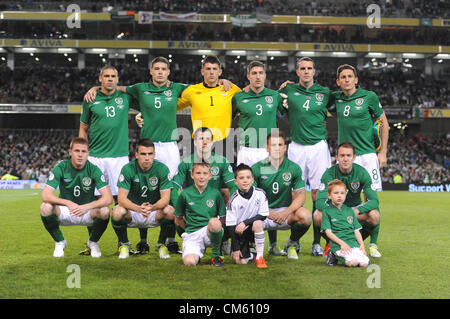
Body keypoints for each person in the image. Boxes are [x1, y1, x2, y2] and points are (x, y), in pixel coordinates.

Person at [83, 58, 185, 255]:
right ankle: (143, 241)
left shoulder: (177, 88)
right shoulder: (139, 88)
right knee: (140, 191)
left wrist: (226, 82)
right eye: (157, 69)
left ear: (169, 72)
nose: (160, 72)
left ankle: (169, 240)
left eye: (164, 69)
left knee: (170, 195)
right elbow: (113, 87)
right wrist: (96, 87)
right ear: (151, 71)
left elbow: (203, 87)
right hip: (148, 144)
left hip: (170, 147)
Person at [278, 57, 335, 257]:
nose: (306, 71)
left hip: (319, 147)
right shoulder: (289, 91)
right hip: (296, 147)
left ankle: (317, 243)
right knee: (295, 195)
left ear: (314, 71)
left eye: (309, 68)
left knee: (318, 196)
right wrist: (281, 89)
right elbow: (274, 107)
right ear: (297, 72)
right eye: (302, 68)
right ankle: (294, 241)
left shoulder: (325, 93)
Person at [78, 65, 137, 254]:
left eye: (113, 76)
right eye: (106, 76)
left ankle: (123, 243)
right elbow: (83, 128)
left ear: (118, 80)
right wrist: (82, 151)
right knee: (96, 202)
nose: (110, 79)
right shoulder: (91, 99)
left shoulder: (125, 98)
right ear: (100, 78)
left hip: (119, 158)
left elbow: (145, 98)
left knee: (120, 201)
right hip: (95, 157)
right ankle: (91, 243)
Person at [334, 64, 389, 257]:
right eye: (343, 77)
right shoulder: (336, 97)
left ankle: (372, 244)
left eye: (350, 76)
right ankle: (337, 243)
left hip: (366, 155)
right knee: (338, 198)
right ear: (338, 81)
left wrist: (382, 153)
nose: (347, 79)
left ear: (356, 79)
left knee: (371, 201)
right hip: (345, 157)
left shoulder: (369, 97)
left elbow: (385, 125)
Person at [40, 137, 113, 258]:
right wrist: (68, 203)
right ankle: (59, 242)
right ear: (70, 152)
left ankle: (93, 242)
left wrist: (86, 207)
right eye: (77, 151)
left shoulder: (93, 169)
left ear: (88, 153)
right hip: (65, 210)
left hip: (87, 211)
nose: (80, 155)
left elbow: (108, 198)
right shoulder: (61, 167)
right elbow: (45, 195)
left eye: (83, 151)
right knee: (45, 207)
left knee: (105, 210)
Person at [171, 127, 237, 256]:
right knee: (171, 214)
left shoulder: (221, 161)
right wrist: (178, 209)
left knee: (229, 201)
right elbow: (174, 188)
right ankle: (179, 241)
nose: (205, 142)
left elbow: (233, 187)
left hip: (213, 207)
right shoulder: (186, 162)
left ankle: (223, 241)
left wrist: (231, 208)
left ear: (212, 142)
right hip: (193, 209)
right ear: (195, 142)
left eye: (208, 139)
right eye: (201, 139)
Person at [315, 142, 382, 258]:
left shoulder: (362, 172)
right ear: (337, 157)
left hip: (354, 210)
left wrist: (358, 210)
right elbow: (319, 202)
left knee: (374, 215)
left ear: (354, 157)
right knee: (317, 216)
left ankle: (371, 245)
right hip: (335, 210)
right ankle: (330, 243)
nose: (345, 159)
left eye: (348, 155)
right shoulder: (329, 174)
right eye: (342, 155)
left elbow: (374, 201)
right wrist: (338, 212)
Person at [252, 131, 312, 260]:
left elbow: (301, 196)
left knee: (306, 216)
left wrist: (285, 212)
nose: (277, 148)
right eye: (273, 145)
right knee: (246, 216)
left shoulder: (293, 168)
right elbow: (252, 199)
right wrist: (268, 213)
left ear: (285, 147)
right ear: (267, 148)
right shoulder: (257, 168)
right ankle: (252, 246)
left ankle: (291, 243)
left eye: (280, 144)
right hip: (263, 213)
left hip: (286, 212)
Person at [111, 138, 175, 259]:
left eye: (150, 154)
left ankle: (161, 244)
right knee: (117, 212)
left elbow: (165, 199)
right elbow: (121, 199)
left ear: (154, 154)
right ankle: (125, 244)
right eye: (143, 154)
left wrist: (152, 207)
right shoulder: (128, 169)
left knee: (170, 211)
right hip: (134, 211)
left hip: (153, 211)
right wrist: (138, 209)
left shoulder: (162, 169)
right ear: (136, 154)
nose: (147, 157)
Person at [177, 54, 241, 164]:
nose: (211, 72)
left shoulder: (230, 89)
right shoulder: (191, 91)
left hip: (223, 143)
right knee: (197, 179)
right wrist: (144, 112)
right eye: (208, 69)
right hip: (199, 143)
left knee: (224, 180)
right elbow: (172, 106)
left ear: (219, 72)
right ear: (202, 71)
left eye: (214, 69)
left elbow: (247, 97)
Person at [232, 60, 285, 167]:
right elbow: (228, 117)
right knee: (244, 182)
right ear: (248, 76)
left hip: (268, 150)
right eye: (254, 73)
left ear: (265, 75)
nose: (258, 76)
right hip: (246, 150)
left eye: (261, 73)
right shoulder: (238, 97)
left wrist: (290, 87)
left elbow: (290, 111)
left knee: (267, 183)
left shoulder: (275, 96)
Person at [174, 162, 226, 267]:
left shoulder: (215, 193)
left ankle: (216, 256)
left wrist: (215, 229)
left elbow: (223, 218)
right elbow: (178, 219)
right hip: (192, 235)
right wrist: (188, 230)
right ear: (192, 175)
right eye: (198, 173)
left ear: (210, 176)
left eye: (205, 173)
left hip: (209, 232)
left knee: (214, 222)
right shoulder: (185, 194)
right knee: (190, 263)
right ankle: (195, 253)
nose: (201, 177)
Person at [226, 164, 269, 268]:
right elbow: (231, 226)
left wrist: (245, 222)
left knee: (258, 223)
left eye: (248, 177)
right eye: (241, 178)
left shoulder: (260, 193)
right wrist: (236, 248)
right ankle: (251, 253)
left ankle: (259, 257)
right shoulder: (233, 200)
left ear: (252, 179)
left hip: (253, 227)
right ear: (236, 181)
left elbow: (263, 215)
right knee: (241, 262)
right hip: (240, 233)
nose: (245, 180)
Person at [321, 179, 369, 267]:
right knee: (353, 263)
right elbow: (328, 232)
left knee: (364, 264)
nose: (339, 196)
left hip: (353, 244)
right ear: (329, 195)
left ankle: (350, 254)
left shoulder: (350, 210)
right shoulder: (327, 211)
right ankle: (333, 253)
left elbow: (356, 230)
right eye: (336, 193)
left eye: (342, 193)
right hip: (338, 245)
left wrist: (361, 245)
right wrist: (342, 243)